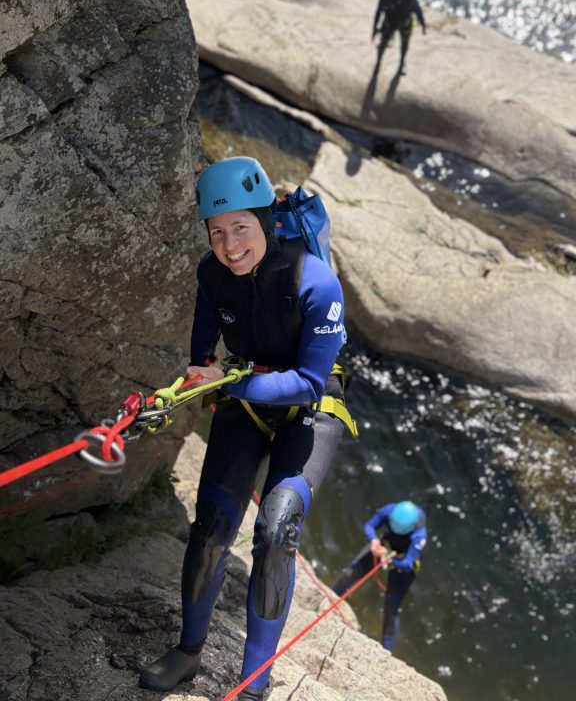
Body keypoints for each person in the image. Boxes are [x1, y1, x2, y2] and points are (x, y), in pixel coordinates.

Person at [140, 156, 352, 698]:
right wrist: (177, 391)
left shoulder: (316, 282)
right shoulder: (212, 274)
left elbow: (307, 381)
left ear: (265, 222)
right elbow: (200, 357)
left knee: (277, 529)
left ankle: (253, 685)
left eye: (241, 228)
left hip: (310, 406)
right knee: (210, 525)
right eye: (217, 233)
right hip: (248, 394)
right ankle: (189, 651)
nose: (230, 246)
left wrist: (229, 385)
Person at [331, 500, 426, 651]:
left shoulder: (419, 536)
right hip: (383, 546)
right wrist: (374, 540)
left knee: (392, 603)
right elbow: (370, 526)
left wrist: (388, 556)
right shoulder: (389, 511)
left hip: (401, 561)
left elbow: (408, 564)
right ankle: (329, 601)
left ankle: (386, 648)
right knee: (350, 573)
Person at [371, 0, 426, 77]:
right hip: (389, 23)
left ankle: (402, 63)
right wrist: (374, 30)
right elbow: (379, 12)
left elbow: (417, 9)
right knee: (382, 44)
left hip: (405, 23)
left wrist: (423, 24)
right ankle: (378, 62)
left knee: (405, 45)